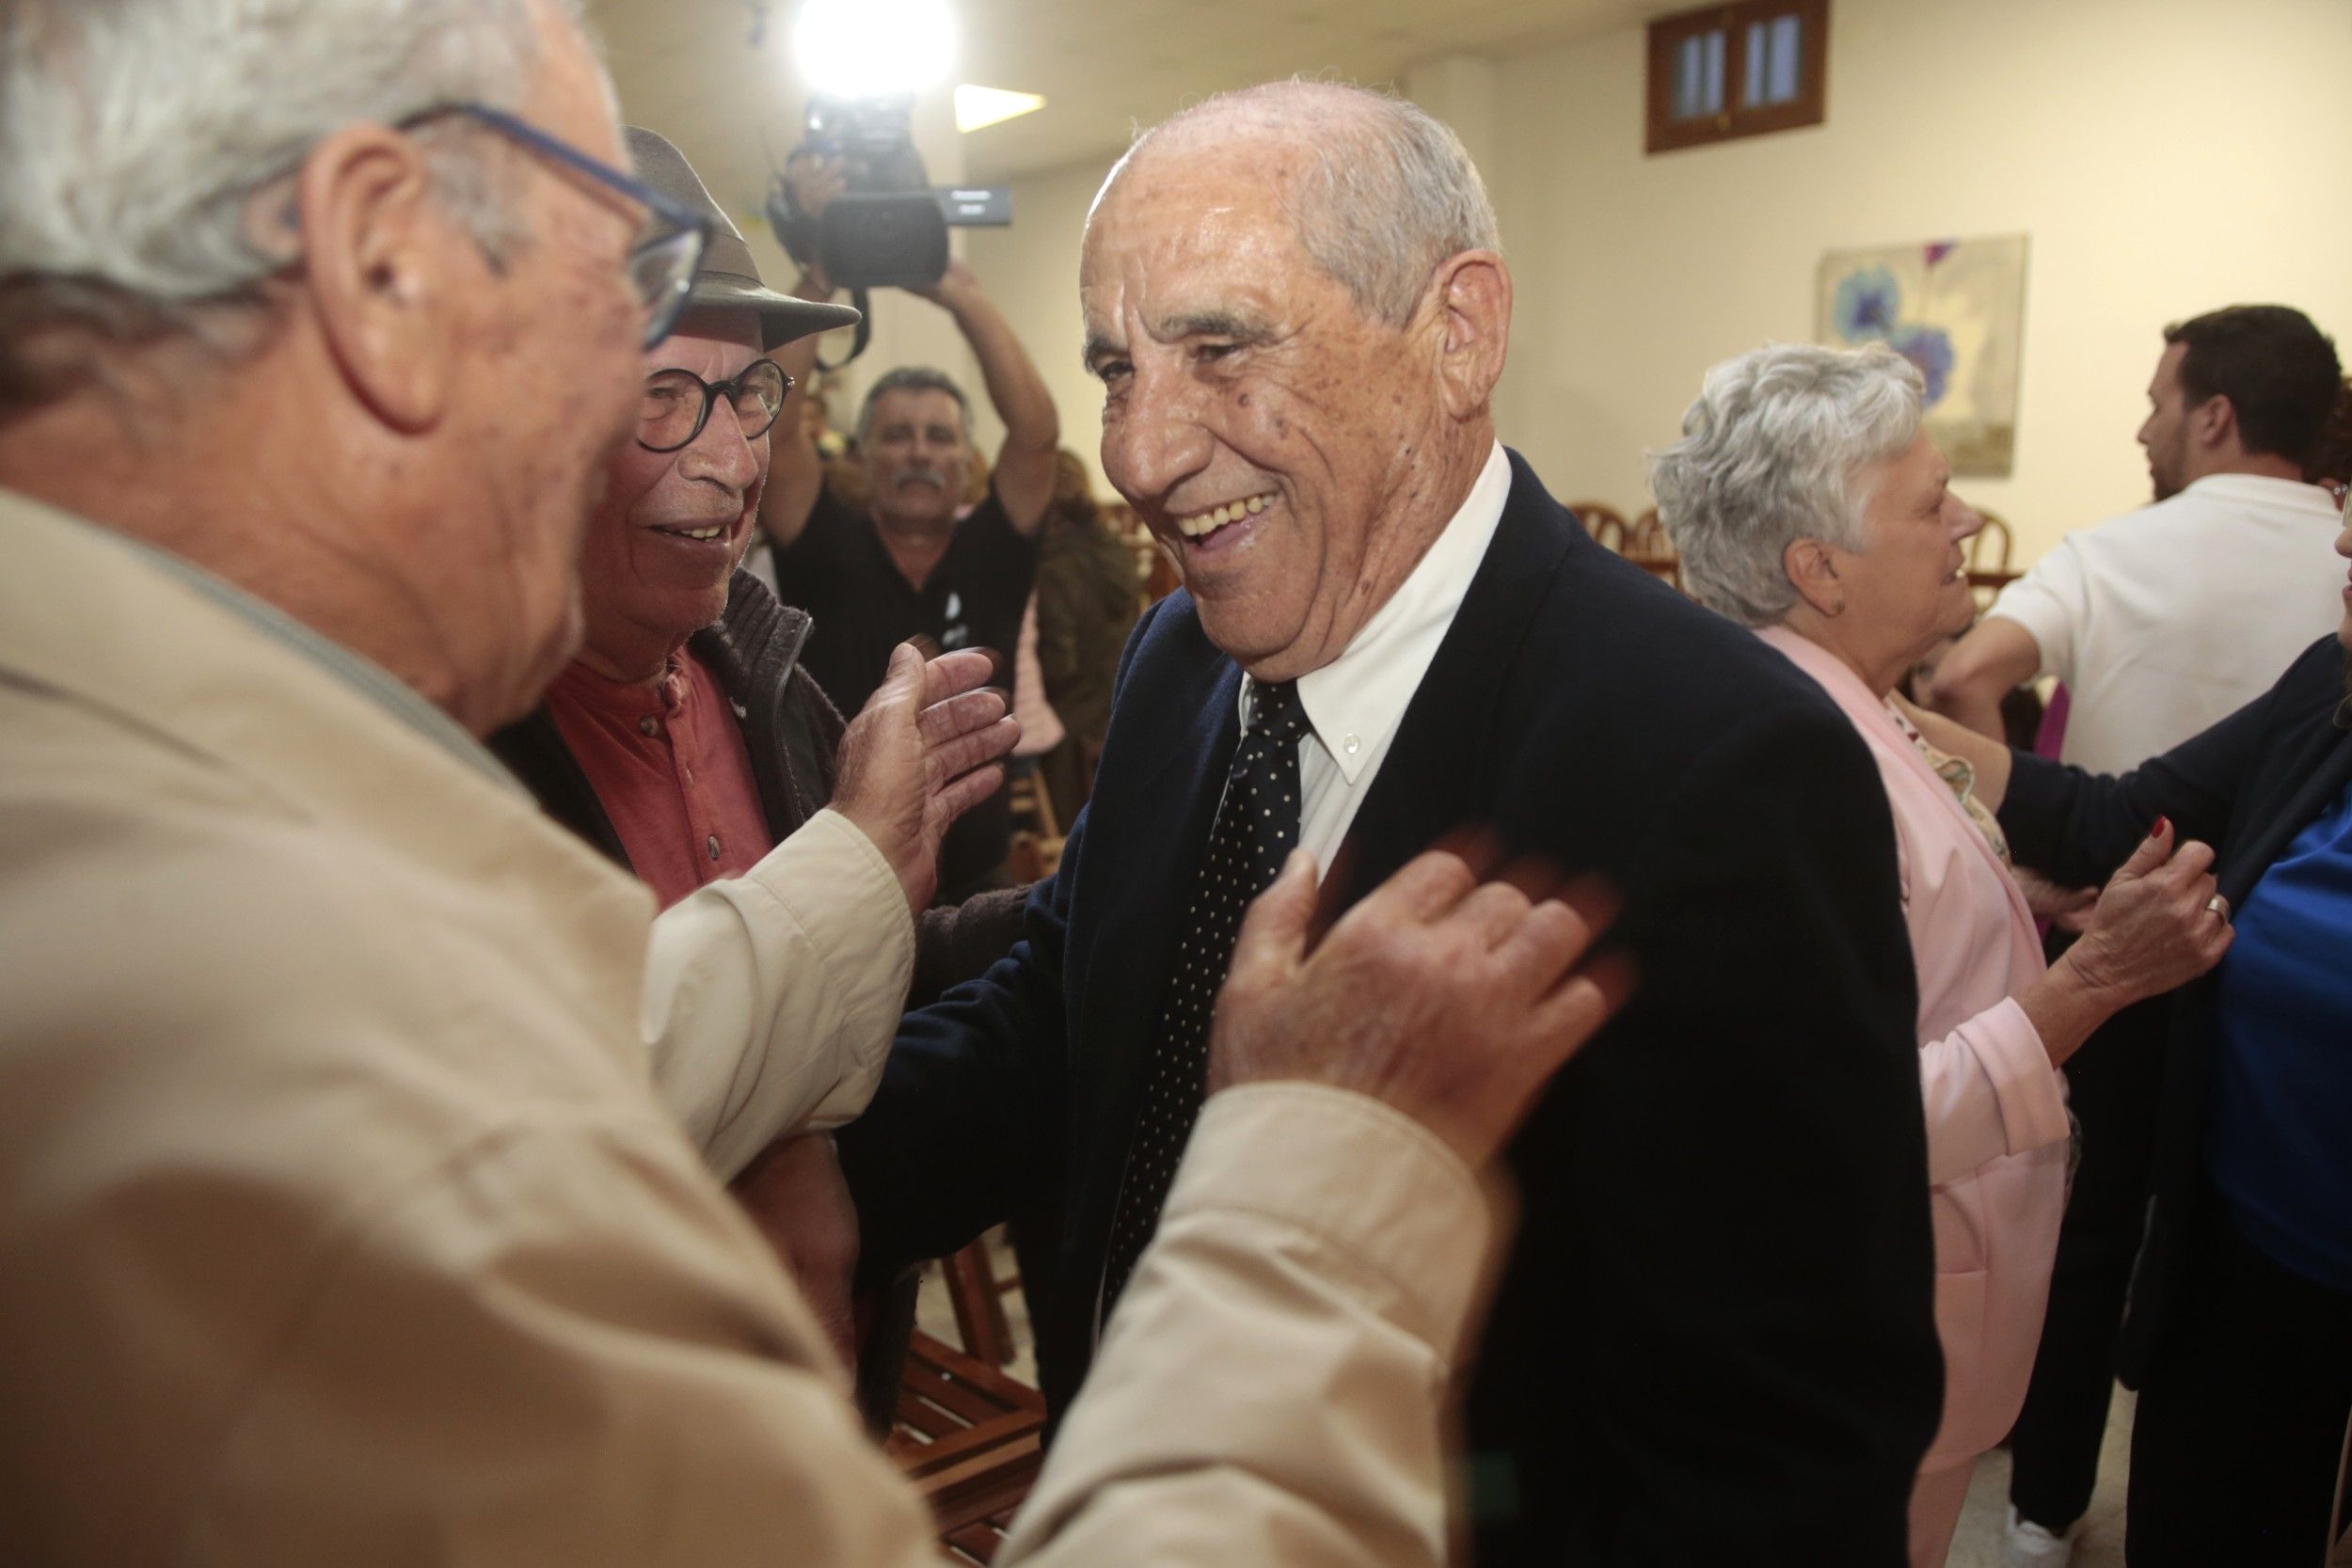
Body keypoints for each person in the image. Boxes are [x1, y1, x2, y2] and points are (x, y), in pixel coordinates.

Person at [0, 3, 1637, 1560]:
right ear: (385, 277)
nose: (691, 446)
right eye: (619, 320)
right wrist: (1331, 1197)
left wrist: (805, 1120)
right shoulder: (266, 1065)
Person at [821, 82, 1946, 1565]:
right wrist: (795, 1177)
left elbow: (1785, 1448)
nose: (1141, 453)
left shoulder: (1718, 761)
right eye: (1115, 367)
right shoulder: (1178, 664)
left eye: (1220, 347)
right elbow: (1071, 1016)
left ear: (1459, 335)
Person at [1652, 342, 2233, 1564]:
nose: (1967, 517)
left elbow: (1883, 937)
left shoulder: (1841, 704)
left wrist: (2023, 898)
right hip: (1863, 1337)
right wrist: (2093, 983)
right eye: (1930, 501)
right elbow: (1833, 1128)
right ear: (1818, 567)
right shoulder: (1789, 761)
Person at [1923, 304, 2345, 1566]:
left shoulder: (2124, 551)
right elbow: (2113, 808)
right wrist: (1856, 697)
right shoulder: (2328, 690)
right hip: (2243, 1261)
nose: (2343, 540)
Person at [756, 164, 1061, 900]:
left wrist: (960, 295)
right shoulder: (822, 543)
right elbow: (772, 426)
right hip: (837, 875)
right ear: (862, 457)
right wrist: (824, 271)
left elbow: (1035, 435)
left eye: (937, 437)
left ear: (965, 460)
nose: (919, 452)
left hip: (978, 877)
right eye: (897, 436)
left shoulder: (995, 549)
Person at [1033, 450, 1143, 822]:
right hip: (1121, 709)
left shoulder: (1054, 566)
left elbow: (1058, 667)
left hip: (1072, 726)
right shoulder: (1114, 550)